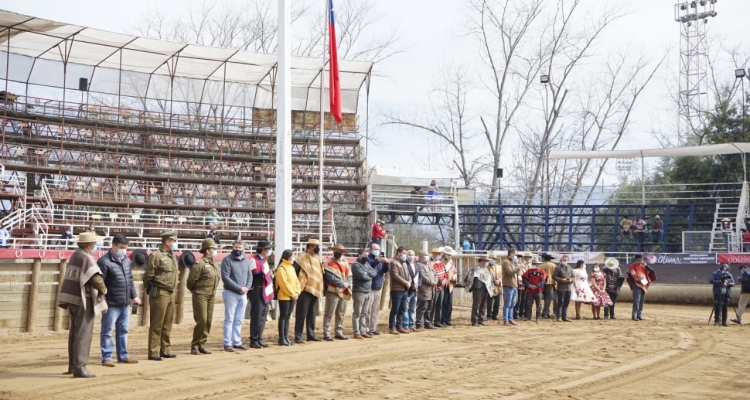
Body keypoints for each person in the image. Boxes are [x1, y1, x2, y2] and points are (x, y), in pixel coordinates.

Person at [58, 231, 108, 378]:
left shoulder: (76, 255)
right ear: (88, 244)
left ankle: (73, 366)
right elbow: (95, 277)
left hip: (73, 298)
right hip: (83, 300)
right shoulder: (86, 257)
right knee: (83, 334)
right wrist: (104, 289)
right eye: (94, 243)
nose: (95, 245)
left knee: (75, 333)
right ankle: (80, 367)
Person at [98, 235, 139, 366]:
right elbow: (100, 284)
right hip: (111, 303)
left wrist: (134, 295)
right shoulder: (104, 262)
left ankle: (123, 355)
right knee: (107, 331)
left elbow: (130, 280)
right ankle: (107, 357)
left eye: (126, 248)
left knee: (123, 330)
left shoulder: (126, 260)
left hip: (125, 302)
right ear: (113, 245)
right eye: (121, 247)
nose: (124, 250)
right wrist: (102, 301)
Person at [143, 231, 180, 361]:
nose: (175, 243)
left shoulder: (172, 256)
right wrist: (151, 289)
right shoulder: (156, 256)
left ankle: (165, 349)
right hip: (160, 292)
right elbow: (148, 276)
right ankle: (153, 352)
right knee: (157, 324)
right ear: (167, 241)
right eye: (173, 240)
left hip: (171, 292)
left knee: (167, 324)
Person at [186, 238, 220, 355]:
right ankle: (195, 345)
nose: (215, 251)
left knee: (208, 321)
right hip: (200, 295)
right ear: (207, 250)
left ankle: (202, 344)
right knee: (202, 320)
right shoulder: (199, 264)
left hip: (211, 295)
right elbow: (190, 281)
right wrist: (195, 291)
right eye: (213, 249)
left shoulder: (213, 264)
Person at [220, 241, 252, 352]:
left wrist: (247, 287)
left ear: (243, 248)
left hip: (243, 293)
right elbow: (225, 277)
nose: (238, 249)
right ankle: (227, 342)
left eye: (240, 247)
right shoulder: (227, 260)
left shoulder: (245, 260)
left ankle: (237, 342)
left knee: (239, 319)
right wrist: (239, 288)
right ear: (233, 247)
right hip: (231, 293)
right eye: (236, 247)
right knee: (229, 319)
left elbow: (249, 275)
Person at [294, 238, 325, 343]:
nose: (317, 248)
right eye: (316, 246)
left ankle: (311, 334)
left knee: (312, 313)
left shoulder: (316, 258)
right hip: (304, 289)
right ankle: (298, 335)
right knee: (301, 313)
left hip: (315, 289)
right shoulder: (302, 257)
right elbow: (295, 271)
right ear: (310, 247)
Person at [323, 244, 352, 341]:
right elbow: (330, 277)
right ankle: (326, 333)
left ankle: (338, 331)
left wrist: (347, 283)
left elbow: (350, 275)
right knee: (329, 313)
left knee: (341, 313)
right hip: (332, 291)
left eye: (340, 251)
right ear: (333, 250)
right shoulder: (328, 263)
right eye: (337, 250)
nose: (338, 252)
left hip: (343, 290)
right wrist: (343, 283)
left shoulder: (345, 263)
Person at [248, 239, 275, 348]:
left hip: (264, 290)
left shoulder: (264, 260)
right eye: (269, 249)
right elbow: (249, 276)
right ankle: (253, 339)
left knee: (263, 315)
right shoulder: (253, 261)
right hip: (257, 290)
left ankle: (259, 337)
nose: (270, 251)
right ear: (264, 250)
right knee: (257, 315)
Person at [275, 249, 301, 345]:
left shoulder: (291, 267)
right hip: (284, 296)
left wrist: (297, 292)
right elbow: (283, 284)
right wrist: (292, 293)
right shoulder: (281, 268)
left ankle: (286, 337)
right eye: (293, 255)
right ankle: (282, 338)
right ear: (289, 256)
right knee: (283, 316)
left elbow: (296, 281)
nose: (294, 257)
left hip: (292, 296)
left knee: (287, 317)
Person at [351, 249, 376, 339]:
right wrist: (369, 275)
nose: (366, 256)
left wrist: (367, 273)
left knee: (364, 313)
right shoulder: (356, 265)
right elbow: (362, 276)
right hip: (359, 291)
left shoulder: (366, 264)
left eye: (367, 255)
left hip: (367, 291)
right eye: (364, 255)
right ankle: (356, 332)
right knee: (357, 313)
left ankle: (363, 331)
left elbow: (374, 272)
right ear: (359, 255)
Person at [388, 246, 412, 335]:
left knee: (402, 308)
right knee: (395, 309)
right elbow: (395, 275)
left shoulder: (404, 263)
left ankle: (399, 325)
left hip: (405, 289)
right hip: (396, 289)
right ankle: (392, 327)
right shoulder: (394, 263)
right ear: (398, 253)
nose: (405, 255)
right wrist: (406, 282)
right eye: (404, 253)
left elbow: (408, 274)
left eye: (405, 253)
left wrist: (409, 281)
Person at [366, 243, 389, 335]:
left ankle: (372, 328)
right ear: (370, 250)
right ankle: (366, 328)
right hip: (370, 288)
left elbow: (385, 270)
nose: (377, 251)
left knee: (375, 310)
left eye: (378, 249)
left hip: (378, 287)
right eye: (375, 249)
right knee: (367, 310)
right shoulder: (368, 258)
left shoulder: (381, 259)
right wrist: (376, 260)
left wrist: (386, 263)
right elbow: (369, 267)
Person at [464, 255, 493, 326]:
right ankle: (474, 321)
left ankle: (481, 319)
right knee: (476, 305)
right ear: (482, 261)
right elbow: (468, 277)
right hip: (478, 288)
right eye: (486, 261)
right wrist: (471, 286)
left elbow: (489, 278)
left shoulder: (486, 269)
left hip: (486, 288)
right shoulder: (475, 268)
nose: (487, 262)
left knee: (483, 305)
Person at [626, 254, 657, 321]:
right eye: (641, 259)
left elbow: (651, 271)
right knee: (636, 300)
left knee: (641, 300)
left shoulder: (644, 266)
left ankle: (639, 315)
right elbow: (633, 274)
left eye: (642, 259)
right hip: (637, 284)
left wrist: (646, 266)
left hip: (643, 284)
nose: (642, 260)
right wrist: (638, 278)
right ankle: (634, 316)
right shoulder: (632, 266)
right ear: (637, 260)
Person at [416, 250, 437, 331]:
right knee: (422, 308)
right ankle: (419, 324)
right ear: (421, 256)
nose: (428, 257)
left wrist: (435, 280)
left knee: (429, 308)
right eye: (426, 255)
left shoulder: (428, 265)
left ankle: (428, 323)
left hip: (431, 290)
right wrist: (431, 282)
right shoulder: (419, 265)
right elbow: (423, 277)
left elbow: (435, 274)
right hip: (424, 290)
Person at [522, 257, 547, 322]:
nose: (534, 264)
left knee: (539, 304)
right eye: (533, 263)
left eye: (536, 263)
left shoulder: (542, 271)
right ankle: (528, 316)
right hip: (530, 290)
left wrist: (537, 286)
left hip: (538, 290)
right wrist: (529, 285)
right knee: (528, 303)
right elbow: (525, 279)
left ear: (538, 264)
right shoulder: (528, 271)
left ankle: (538, 317)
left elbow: (543, 280)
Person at [501, 249, 521, 326]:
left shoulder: (513, 262)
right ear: (511, 254)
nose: (516, 256)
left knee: (512, 304)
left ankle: (510, 319)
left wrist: (517, 265)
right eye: (515, 255)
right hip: (508, 285)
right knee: (507, 303)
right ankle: (505, 320)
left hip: (514, 285)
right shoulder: (505, 262)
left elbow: (518, 273)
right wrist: (518, 268)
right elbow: (510, 272)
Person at [401, 249, 420, 332]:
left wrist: (418, 284)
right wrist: (412, 285)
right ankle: (405, 325)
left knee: (412, 309)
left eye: (412, 254)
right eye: (409, 254)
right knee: (405, 308)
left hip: (415, 291)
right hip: (408, 290)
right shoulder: (404, 265)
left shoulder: (417, 265)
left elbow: (420, 277)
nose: (411, 256)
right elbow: (405, 277)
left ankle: (411, 325)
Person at [440, 246, 458, 326]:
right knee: (443, 303)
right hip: (443, 284)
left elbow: (455, 271)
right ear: (444, 253)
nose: (449, 255)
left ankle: (448, 319)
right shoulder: (440, 261)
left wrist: (455, 276)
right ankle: (442, 320)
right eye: (448, 254)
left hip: (450, 284)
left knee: (449, 303)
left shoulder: (451, 261)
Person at [553, 255, 574, 322]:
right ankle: (559, 317)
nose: (564, 261)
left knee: (566, 303)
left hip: (568, 288)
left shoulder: (570, 267)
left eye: (565, 260)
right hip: (561, 288)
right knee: (560, 303)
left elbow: (573, 276)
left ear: (568, 260)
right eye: (563, 260)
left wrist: (571, 280)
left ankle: (564, 316)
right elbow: (554, 276)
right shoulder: (558, 268)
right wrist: (561, 280)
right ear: (561, 260)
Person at [431, 247, 448, 327]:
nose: (438, 255)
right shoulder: (431, 263)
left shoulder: (441, 263)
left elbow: (445, 274)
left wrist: (445, 280)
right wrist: (440, 281)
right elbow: (432, 275)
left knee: (440, 305)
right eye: (437, 254)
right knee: (432, 305)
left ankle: (437, 321)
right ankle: (429, 321)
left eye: (439, 254)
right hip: (435, 286)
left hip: (442, 286)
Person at [514, 252, 532, 320]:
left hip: (524, 283)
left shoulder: (528, 265)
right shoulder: (518, 265)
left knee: (523, 299)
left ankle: (521, 312)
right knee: (518, 299)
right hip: (518, 283)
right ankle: (516, 313)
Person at [540, 253, 557, 319]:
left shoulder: (540, 265)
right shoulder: (553, 265)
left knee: (542, 298)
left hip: (542, 283)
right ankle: (546, 312)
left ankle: (543, 312)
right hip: (550, 282)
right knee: (548, 298)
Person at [486, 256, 503, 321]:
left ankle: (495, 315)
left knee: (497, 302)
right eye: (491, 259)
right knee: (489, 302)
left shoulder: (499, 267)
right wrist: (492, 281)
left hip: (498, 286)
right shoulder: (486, 268)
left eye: (493, 259)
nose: (492, 260)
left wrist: (499, 281)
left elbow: (501, 276)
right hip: (490, 287)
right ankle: (489, 315)